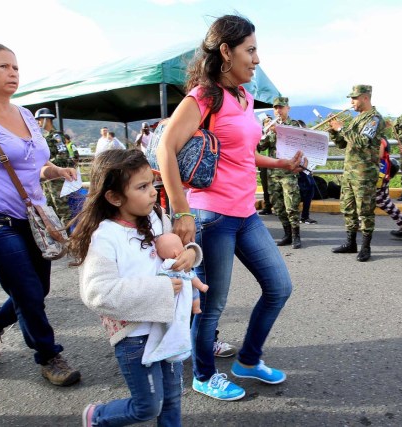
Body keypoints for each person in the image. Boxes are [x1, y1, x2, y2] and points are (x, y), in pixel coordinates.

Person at [155, 14, 305, 401]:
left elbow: (245, 153)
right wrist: (182, 210)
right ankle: (203, 375)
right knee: (213, 303)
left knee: (279, 287)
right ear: (226, 51)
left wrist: (283, 164)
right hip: (211, 216)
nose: (256, 59)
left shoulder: (245, 97)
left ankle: (249, 360)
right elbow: (165, 148)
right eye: (250, 50)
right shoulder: (203, 97)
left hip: (246, 213)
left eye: (257, 50)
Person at [0, 42, 80, 386]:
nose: (13, 73)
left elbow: (34, 167)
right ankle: (49, 356)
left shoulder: (25, 114)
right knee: (26, 289)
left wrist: (55, 171)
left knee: (37, 290)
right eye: (3, 67)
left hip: (31, 218)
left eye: (16, 68)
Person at [68, 149, 202, 426]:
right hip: (134, 337)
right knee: (148, 406)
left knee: (173, 398)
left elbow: (173, 249)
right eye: (142, 187)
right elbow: (98, 293)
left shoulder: (155, 216)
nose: (153, 192)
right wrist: (163, 289)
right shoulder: (104, 237)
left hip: (168, 327)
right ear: (115, 197)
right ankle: (98, 417)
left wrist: (189, 253)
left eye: (152, 184)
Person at [329, 85, 385, 262]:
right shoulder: (356, 119)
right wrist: (333, 131)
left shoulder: (374, 119)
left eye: (354, 98)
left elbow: (362, 141)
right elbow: (343, 144)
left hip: (364, 174)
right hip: (350, 172)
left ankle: (366, 247)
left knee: (365, 210)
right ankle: (350, 243)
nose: (351, 102)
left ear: (365, 98)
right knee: (348, 208)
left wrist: (341, 129)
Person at [260, 96, 303, 249]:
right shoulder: (270, 126)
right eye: (276, 108)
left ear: (288, 108)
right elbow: (261, 146)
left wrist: (279, 131)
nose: (278, 110)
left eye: (281, 107)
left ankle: (296, 235)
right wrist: (266, 132)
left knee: (291, 205)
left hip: (288, 172)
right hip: (273, 172)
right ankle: (287, 234)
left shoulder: (294, 125)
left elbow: (297, 143)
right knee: (278, 206)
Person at [35, 107, 74, 223]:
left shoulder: (56, 136)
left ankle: (69, 237)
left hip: (57, 179)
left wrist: (48, 163)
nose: (38, 122)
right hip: (49, 180)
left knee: (63, 210)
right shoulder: (45, 137)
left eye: (40, 119)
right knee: (50, 208)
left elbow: (63, 156)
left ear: (47, 119)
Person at [156, 232, 209, 314]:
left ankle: (196, 308)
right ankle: (197, 305)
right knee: (194, 287)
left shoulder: (164, 265)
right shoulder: (178, 265)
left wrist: (191, 251)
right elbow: (192, 278)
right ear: (176, 253)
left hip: (174, 293)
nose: (184, 248)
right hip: (183, 287)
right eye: (182, 246)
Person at [375, 136, 402, 228]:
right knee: (378, 199)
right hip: (383, 172)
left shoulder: (380, 140)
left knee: (381, 201)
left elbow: (379, 155)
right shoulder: (381, 138)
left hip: (381, 173)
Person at [257, 115, 273, 215]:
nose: (268, 123)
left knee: (275, 186)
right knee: (265, 186)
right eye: (266, 122)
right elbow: (260, 148)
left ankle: (277, 205)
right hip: (263, 164)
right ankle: (267, 207)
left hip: (273, 162)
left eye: (269, 122)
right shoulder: (260, 135)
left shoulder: (274, 134)